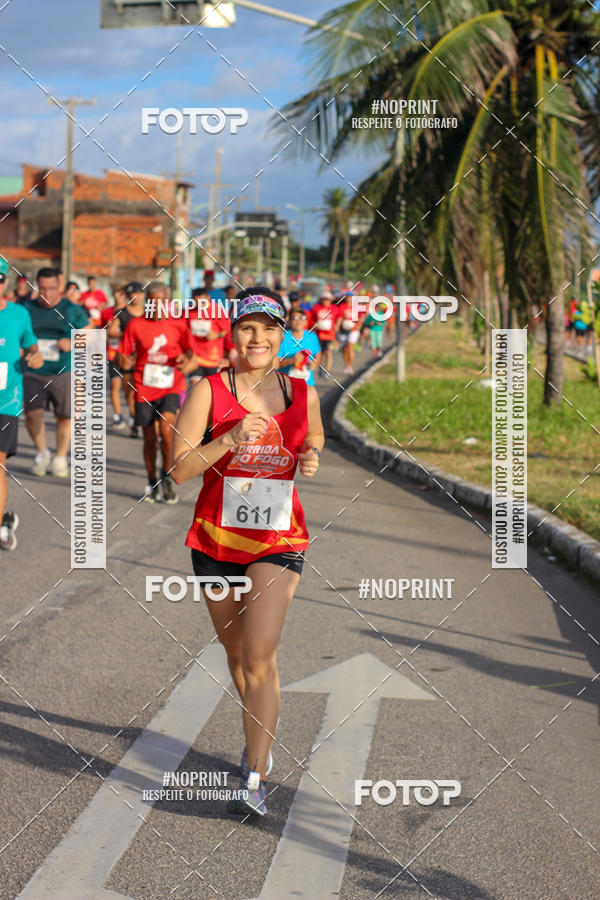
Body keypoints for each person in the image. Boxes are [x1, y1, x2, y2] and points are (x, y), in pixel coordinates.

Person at [171, 287, 324, 817]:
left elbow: (315, 439)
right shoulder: (207, 391)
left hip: (278, 542)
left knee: (260, 655)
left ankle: (255, 775)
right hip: (215, 542)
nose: (257, 338)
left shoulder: (303, 392)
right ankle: (255, 734)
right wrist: (230, 438)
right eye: (247, 328)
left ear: (284, 335)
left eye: (268, 328)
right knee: (236, 657)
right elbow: (180, 469)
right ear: (232, 333)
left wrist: (310, 457)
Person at [118, 281, 198, 504]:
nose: (157, 307)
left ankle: (167, 475)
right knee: (149, 437)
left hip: (171, 385)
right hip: (144, 386)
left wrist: (185, 358)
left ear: (168, 302)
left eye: (161, 302)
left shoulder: (179, 324)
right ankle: (152, 479)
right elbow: (123, 355)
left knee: (167, 430)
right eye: (152, 302)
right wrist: (124, 361)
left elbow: (191, 351)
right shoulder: (135, 324)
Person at [23, 267, 90, 477]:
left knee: (65, 417)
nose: (47, 293)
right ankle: (43, 453)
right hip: (33, 371)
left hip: (63, 371)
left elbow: (93, 335)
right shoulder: (26, 308)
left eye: (52, 288)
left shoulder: (71, 309)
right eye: (43, 288)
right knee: (33, 415)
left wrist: (72, 342)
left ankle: (60, 458)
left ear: (59, 287)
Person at [0, 267, 43, 549]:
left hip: (6, 400)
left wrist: (34, 357)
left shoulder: (19, 314)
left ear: (5, 281)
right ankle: (4, 518)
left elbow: (32, 348)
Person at [115, 281, 146, 438]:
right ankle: (135, 418)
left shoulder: (149, 311)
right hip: (126, 357)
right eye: (134, 294)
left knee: (142, 391)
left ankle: (142, 420)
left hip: (145, 358)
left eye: (140, 293)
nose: (137, 297)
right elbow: (111, 331)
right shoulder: (122, 313)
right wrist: (127, 334)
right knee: (129, 393)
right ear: (128, 296)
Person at [187, 288, 233, 384]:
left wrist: (216, 335)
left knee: (211, 388)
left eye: (202, 303)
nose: (199, 306)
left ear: (208, 298)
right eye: (196, 303)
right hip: (195, 358)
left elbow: (227, 330)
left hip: (213, 358)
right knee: (194, 385)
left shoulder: (217, 309)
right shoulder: (188, 312)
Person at [102, 286, 128, 429]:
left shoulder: (130, 312)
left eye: (120, 294)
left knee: (128, 388)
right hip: (111, 353)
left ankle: (133, 414)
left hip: (127, 354)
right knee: (114, 385)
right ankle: (118, 416)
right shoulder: (107, 312)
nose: (117, 297)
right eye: (115, 294)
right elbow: (101, 331)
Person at [276, 308, 321, 384]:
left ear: (306, 321)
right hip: (286, 385)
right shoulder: (282, 337)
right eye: (295, 318)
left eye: (302, 318)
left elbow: (318, 354)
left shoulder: (312, 336)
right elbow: (275, 364)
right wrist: (292, 360)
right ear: (289, 321)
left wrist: (314, 364)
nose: (299, 321)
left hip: (307, 384)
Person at [310, 290, 338, 376]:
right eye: (324, 299)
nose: (326, 301)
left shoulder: (334, 308)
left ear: (330, 300)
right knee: (319, 353)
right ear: (321, 299)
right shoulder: (316, 307)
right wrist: (315, 325)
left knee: (328, 352)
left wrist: (336, 327)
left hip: (330, 335)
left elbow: (338, 318)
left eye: (328, 299)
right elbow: (311, 319)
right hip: (319, 335)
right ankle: (320, 368)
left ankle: (327, 370)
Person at [335, 294, 362, 374]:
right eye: (348, 297)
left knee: (350, 346)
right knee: (345, 349)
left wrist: (359, 326)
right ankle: (346, 365)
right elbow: (340, 318)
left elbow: (360, 318)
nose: (349, 299)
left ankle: (350, 366)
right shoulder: (342, 307)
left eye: (351, 297)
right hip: (343, 330)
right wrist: (337, 326)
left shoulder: (356, 307)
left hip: (353, 330)